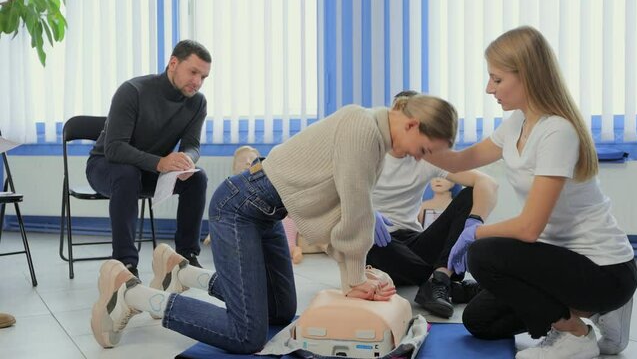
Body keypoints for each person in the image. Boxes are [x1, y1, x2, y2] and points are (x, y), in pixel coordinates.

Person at [90, 94, 459, 352]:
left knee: (280, 313)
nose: (417, 158)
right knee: (246, 334)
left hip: (266, 213)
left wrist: (359, 276)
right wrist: (356, 278)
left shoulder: (373, 134)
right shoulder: (365, 130)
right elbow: (356, 210)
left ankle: (183, 274)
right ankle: (133, 294)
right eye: (423, 149)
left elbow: (339, 208)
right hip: (239, 206)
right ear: (412, 123)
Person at [426, 26, 637, 358]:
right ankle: (585, 309)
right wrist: (414, 145)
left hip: (603, 269)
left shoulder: (558, 132)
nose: (488, 88)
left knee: (484, 255)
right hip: (559, 263)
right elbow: (461, 158)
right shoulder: (517, 124)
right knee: (480, 320)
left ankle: (577, 333)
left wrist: (474, 232)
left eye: (496, 79)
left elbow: (529, 228)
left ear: (526, 75)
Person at [367, 91, 498, 319]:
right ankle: (444, 283)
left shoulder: (426, 155)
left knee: (470, 194)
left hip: (413, 242)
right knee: (372, 244)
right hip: (377, 243)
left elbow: (487, 183)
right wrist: (364, 214)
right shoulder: (368, 150)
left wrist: (473, 225)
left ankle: (438, 280)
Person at [86, 40, 212, 276]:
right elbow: (114, 148)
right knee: (127, 173)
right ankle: (125, 264)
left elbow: (192, 145)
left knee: (197, 177)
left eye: (203, 77)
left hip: (148, 170)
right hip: (106, 166)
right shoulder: (133, 91)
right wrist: (160, 162)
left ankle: (186, 258)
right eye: (193, 72)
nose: (197, 82)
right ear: (173, 63)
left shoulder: (197, 102)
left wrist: (187, 159)